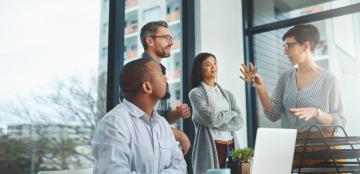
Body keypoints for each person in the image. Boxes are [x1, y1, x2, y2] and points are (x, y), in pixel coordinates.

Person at [240, 24, 346, 166]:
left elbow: (340, 121)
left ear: (306, 45)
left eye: (289, 46)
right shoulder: (285, 78)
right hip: (291, 150)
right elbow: (273, 114)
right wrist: (260, 88)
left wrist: (316, 112)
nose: (285, 52)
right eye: (284, 46)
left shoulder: (329, 79)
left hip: (323, 152)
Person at [92, 59, 187, 173]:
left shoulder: (162, 123)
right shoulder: (113, 124)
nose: (166, 78)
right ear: (147, 87)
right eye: (161, 74)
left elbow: (180, 165)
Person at [139, 20, 191, 155]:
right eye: (166, 38)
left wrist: (178, 113)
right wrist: (176, 133)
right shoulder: (138, 71)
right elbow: (139, 119)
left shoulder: (161, 71)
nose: (171, 43)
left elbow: (165, 115)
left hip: (159, 146)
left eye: (171, 38)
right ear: (150, 41)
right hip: (143, 148)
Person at [189, 52, 244, 174]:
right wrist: (231, 113)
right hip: (212, 146)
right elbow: (211, 119)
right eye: (208, 65)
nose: (213, 67)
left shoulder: (228, 94)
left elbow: (239, 122)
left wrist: (218, 120)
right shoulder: (196, 93)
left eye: (214, 63)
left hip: (231, 145)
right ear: (199, 70)